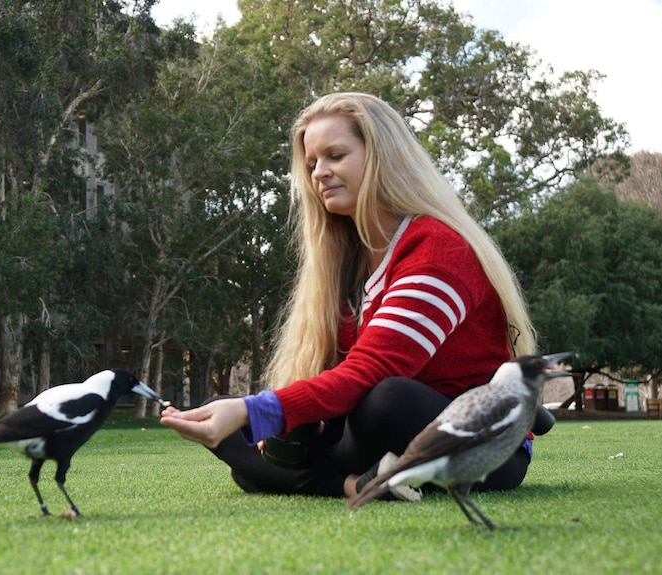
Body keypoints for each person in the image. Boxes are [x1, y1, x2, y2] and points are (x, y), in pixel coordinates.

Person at [160, 92, 537, 499]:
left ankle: (298, 477)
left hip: (480, 448)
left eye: (335, 156)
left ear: (382, 157)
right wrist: (288, 424)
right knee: (240, 420)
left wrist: (262, 413)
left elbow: (370, 371)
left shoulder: (438, 249)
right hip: (377, 438)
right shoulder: (346, 260)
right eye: (311, 164)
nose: (319, 173)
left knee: (386, 398)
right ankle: (358, 484)